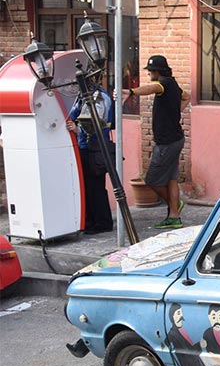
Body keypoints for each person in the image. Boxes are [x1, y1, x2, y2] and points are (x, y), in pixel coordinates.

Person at [122, 55, 189, 229]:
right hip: (176, 139)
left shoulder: (164, 84)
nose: (149, 73)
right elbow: (186, 97)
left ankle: (174, 206)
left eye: (151, 70)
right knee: (171, 179)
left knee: (152, 179)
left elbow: (153, 88)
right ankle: (174, 217)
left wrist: (131, 92)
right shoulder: (173, 84)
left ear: (158, 71)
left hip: (167, 142)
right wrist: (176, 112)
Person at [66, 84, 114, 234]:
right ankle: (90, 221)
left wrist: (77, 129)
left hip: (95, 148)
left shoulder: (99, 98)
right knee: (87, 186)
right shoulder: (81, 97)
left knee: (96, 187)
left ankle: (102, 222)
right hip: (84, 146)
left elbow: (95, 125)